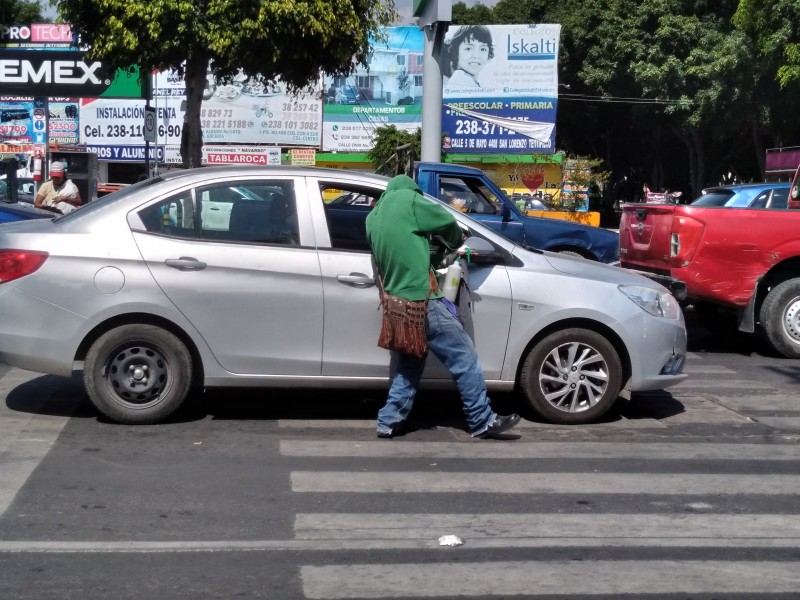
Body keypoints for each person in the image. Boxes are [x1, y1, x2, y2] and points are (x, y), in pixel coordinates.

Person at [366, 174, 521, 439]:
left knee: (409, 365)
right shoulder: (410, 201)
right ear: (412, 189)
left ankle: (388, 420)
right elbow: (447, 221)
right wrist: (454, 241)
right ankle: (481, 420)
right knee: (466, 359)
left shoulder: (374, 216)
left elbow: (405, 251)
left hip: (398, 306)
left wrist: (432, 252)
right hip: (424, 301)